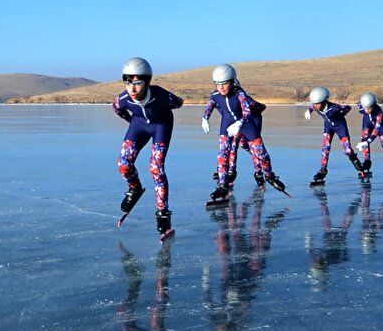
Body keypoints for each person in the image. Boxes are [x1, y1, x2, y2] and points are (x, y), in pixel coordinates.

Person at [113, 57, 184, 240]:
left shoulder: (161, 95)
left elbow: (178, 102)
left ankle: (163, 213)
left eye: (137, 83)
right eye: (128, 83)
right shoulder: (123, 99)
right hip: (138, 126)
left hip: (161, 125)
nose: (132, 88)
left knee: (156, 167)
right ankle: (134, 187)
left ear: (147, 82)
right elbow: (117, 109)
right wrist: (131, 122)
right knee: (123, 163)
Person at [201, 64, 287, 202]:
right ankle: (223, 185)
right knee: (223, 155)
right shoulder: (215, 95)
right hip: (227, 123)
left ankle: (269, 176)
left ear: (232, 81)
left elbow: (247, 112)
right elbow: (209, 106)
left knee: (260, 153)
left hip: (246, 123)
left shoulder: (240, 94)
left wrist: (239, 123)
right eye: (218, 84)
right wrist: (205, 118)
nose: (221, 87)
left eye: (224, 83)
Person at [304, 87, 365, 183]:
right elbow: (312, 107)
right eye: (314, 104)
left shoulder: (334, 108)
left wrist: (341, 113)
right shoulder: (316, 107)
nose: (315, 106)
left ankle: (357, 164)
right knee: (325, 148)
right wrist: (309, 111)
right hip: (328, 127)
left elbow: (348, 108)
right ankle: (323, 170)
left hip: (340, 127)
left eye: (317, 104)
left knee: (347, 150)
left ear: (324, 101)